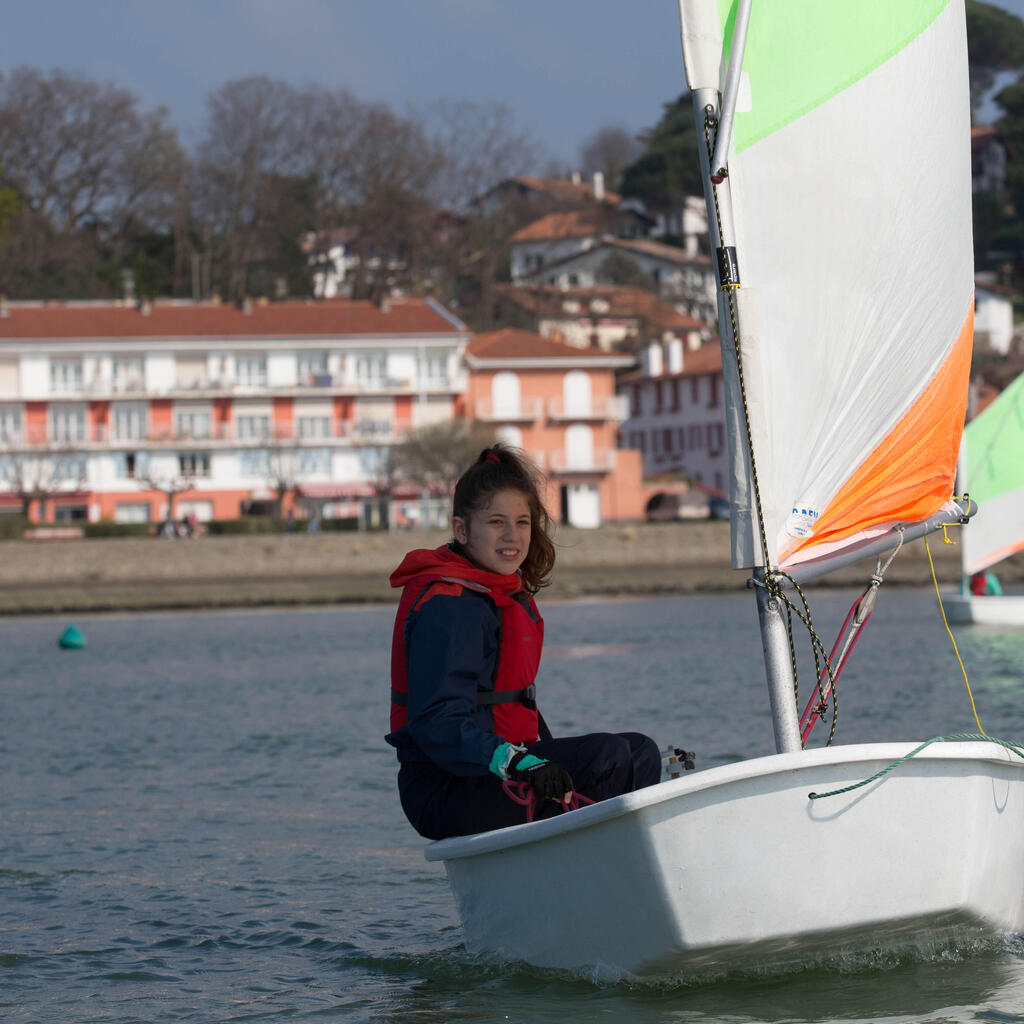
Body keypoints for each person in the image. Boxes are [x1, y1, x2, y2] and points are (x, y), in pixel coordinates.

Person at [386, 444, 663, 841]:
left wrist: (535, 759)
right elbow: (437, 722)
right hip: (443, 789)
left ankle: (630, 862)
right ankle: (595, 870)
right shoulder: (449, 606)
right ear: (462, 530)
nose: (512, 536)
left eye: (522, 522)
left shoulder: (495, 595)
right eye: (496, 522)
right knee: (607, 757)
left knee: (639, 752)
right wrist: (521, 763)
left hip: (489, 773)